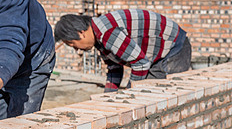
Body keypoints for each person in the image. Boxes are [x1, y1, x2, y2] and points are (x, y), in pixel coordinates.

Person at [54, 10, 192, 91]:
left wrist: (130, 92)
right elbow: (114, 68)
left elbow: (140, 63)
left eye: (73, 44)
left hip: (173, 49)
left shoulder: (107, 32)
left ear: (81, 32)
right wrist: (108, 96)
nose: (77, 49)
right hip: (155, 55)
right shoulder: (99, 38)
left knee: (156, 94)